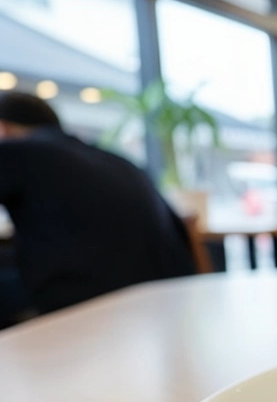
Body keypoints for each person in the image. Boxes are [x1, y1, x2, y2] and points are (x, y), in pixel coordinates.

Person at [0, 92, 195, 321]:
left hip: (89, 304)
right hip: (167, 299)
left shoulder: (19, 152)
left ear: (3, 129)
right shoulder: (119, 160)